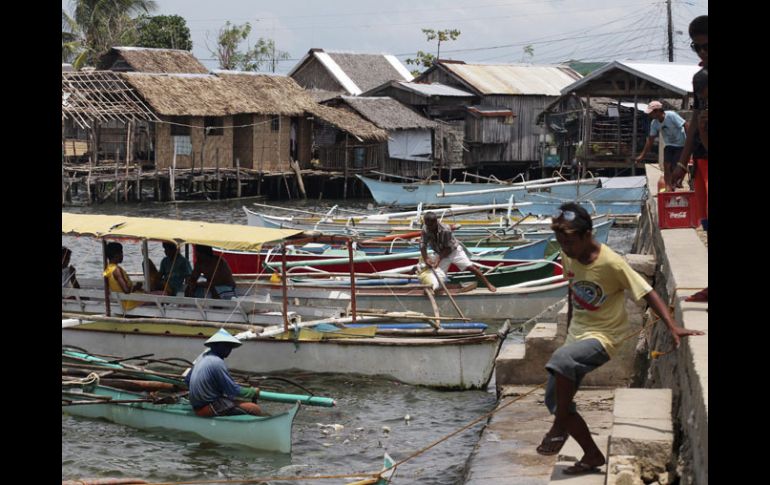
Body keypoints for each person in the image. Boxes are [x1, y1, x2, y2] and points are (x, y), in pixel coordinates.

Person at [535, 203, 704, 474]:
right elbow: (573, 293)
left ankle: (557, 429)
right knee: (555, 402)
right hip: (577, 337)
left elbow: (647, 291)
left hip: (604, 338)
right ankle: (591, 455)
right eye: (560, 242)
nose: (564, 248)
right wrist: (568, 335)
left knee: (561, 363)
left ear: (587, 234)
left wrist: (672, 326)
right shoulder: (568, 256)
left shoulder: (611, 262)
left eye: (569, 242)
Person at [673, 15, 708, 303]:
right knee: (706, 222)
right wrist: (683, 163)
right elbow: (697, 118)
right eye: (697, 48)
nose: (702, 53)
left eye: (706, 47)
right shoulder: (701, 77)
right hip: (703, 159)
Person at [185, 328, 263, 417]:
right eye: (226, 346)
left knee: (232, 399)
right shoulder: (217, 362)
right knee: (254, 408)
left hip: (197, 405)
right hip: (209, 406)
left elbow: (187, 379)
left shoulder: (202, 357)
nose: (229, 349)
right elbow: (233, 390)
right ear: (217, 345)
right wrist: (252, 392)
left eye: (230, 346)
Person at [419, 211, 496, 292]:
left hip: (454, 251)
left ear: (436, 222)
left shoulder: (445, 229)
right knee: (437, 277)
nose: (429, 228)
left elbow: (448, 248)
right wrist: (426, 258)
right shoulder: (425, 228)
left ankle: (488, 284)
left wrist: (438, 259)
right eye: (427, 225)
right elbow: (422, 244)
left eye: (430, 225)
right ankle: (443, 287)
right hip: (439, 252)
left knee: (471, 267)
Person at [635, 101, 688, 192]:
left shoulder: (671, 115)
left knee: (676, 167)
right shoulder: (654, 123)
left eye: (651, 113)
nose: (650, 115)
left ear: (657, 111)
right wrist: (642, 155)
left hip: (681, 144)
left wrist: (689, 143)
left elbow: (685, 125)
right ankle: (668, 187)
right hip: (669, 144)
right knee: (666, 165)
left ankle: (676, 184)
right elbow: (650, 140)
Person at [103, 241, 144, 311]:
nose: (122, 255)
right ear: (116, 255)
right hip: (131, 302)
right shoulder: (117, 270)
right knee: (161, 294)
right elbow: (127, 290)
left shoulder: (107, 270)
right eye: (121, 253)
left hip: (124, 301)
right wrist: (137, 287)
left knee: (154, 294)